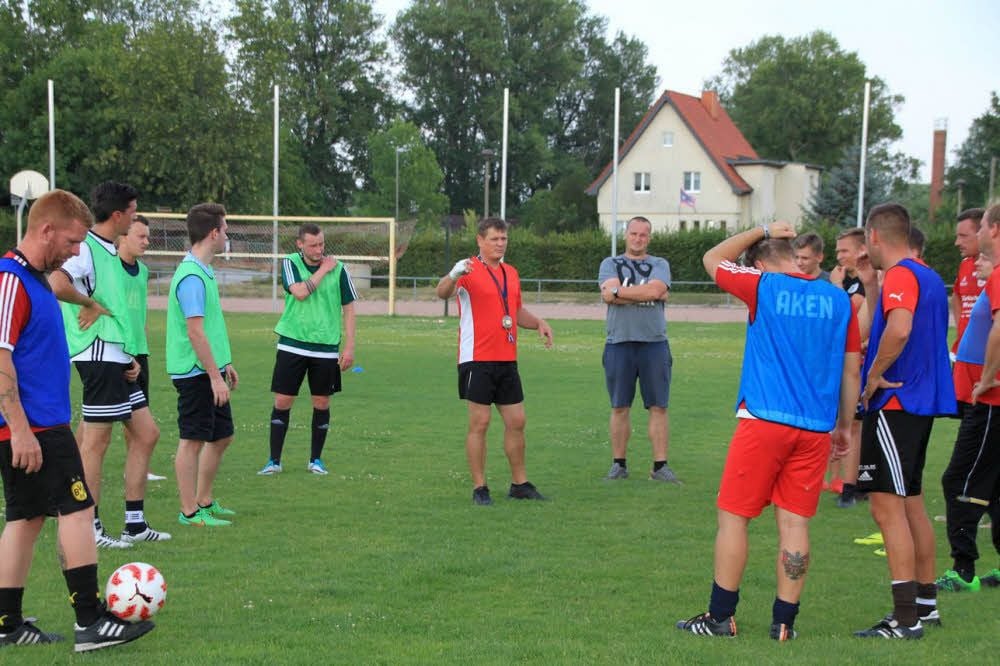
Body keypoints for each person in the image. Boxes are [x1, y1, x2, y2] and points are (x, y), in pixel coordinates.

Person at [676, 221, 860, 640]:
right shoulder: (838, 299)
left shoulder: (763, 286)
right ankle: (784, 623)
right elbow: (852, 368)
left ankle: (720, 617)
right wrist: (844, 427)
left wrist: (761, 227)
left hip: (764, 419)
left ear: (758, 263)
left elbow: (711, 259)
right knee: (795, 525)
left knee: (734, 517)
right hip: (815, 428)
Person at [0, 189, 154, 652]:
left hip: (38, 425)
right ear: (45, 229)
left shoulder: (36, 279)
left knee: (26, 519)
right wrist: (22, 430)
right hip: (35, 428)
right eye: (70, 242)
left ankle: (7, 623)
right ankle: (90, 620)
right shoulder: (10, 279)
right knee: (78, 509)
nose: (74, 252)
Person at [853, 203, 956, 639]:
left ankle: (904, 618)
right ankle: (925, 606)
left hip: (897, 404)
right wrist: (870, 283)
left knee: (886, 507)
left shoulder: (901, 275)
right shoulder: (927, 275)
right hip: (920, 402)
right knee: (911, 504)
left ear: (875, 237)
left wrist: (874, 375)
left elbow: (899, 328)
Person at [48, 182, 165, 548]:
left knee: (147, 434)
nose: (134, 216)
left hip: (115, 353)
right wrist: (89, 305)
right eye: (132, 210)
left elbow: (113, 305)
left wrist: (127, 353)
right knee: (95, 443)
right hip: (96, 353)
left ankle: (134, 523)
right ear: (118, 215)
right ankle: (90, 528)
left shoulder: (108, 251)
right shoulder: (87, 249)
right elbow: (56, 282)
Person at [435, 217, 553, 505]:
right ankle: (479, 488)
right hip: (476, 359)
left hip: (506, 358)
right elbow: (442, 293)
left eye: (504, 239)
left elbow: (515, 311)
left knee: (517, 420)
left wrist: (538, 322)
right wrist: (453, 274)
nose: (500, 244)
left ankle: (519, 484)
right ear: (480, 240)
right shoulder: (468, 269)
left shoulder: (511, 273)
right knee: (481, 422)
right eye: (494, 239)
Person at [258, 223, 357, 476]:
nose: (319, 249)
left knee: (321, 402)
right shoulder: (291, 263)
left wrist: (349, 345)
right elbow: (300, 292)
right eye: (313, 245)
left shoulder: (340, 270)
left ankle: (316, 460)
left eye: (322, 244)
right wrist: (323, 270)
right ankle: (274, 461)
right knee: (283, 400)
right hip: (292, 343)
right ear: (300, 244)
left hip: (325, 347)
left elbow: (349, 308)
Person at [939, 205, 1000, 593]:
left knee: (959, 479)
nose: (973, 235)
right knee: (995, 485)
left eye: (979, 228)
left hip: (993, 401)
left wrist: (988, 379)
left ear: (994, 230)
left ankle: (963, 571)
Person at [167, 203, 239, 527]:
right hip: (195, 373)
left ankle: (204, 500)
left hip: (211, 370)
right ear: (214, 233)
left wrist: (225, 365)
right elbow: (195, 332)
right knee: (192, 440)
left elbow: (210, 327)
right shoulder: (191, 276)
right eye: (225, 230)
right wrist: (214, 377)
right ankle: (189, 512)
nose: (227, 235)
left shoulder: (204, 271)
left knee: (222, 436)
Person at [597, 216, 678, 482]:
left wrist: (621, 293)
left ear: (649, 238)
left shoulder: (660, 264)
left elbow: (655, 291)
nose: (638, 239)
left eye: (643, 235)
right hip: (619, 342)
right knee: (619, 406)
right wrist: (648, 292)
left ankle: (660, 466)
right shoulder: (610, 264)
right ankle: (618, 464)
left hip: (654, 343)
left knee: (659, 406)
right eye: (633, 234)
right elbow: (609, 294)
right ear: (626, 235)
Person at [119, 215, 170, 488]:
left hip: (139, 352)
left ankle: (137, 468)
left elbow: (140, 313)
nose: (146, 242)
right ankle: (77, 467)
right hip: (114, 354)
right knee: (98, 422)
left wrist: (143, 343)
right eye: (141, 236)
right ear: (122, 236)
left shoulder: (143, 270)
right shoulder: (110, 268)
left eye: (147, 237)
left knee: (138, 414)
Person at [828, 226, 868, 507]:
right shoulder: (851, 281)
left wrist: (835, 289)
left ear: (861, 250)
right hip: (846, 360)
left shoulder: (864, 283)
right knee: (851, 423)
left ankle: (851, 489)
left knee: (854, 424)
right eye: (837, 250)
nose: (839, 255)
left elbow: (846, 314)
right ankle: (850, 483)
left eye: (845, 250)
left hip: (861, 364)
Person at [951, 209, 987, 363]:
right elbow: (956, 296)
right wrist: (962, 328)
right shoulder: (965, 264)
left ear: (983, 234)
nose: (957, 242)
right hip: (963, 352)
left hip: (987, 356)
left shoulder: (995, 268)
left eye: (963, 236)